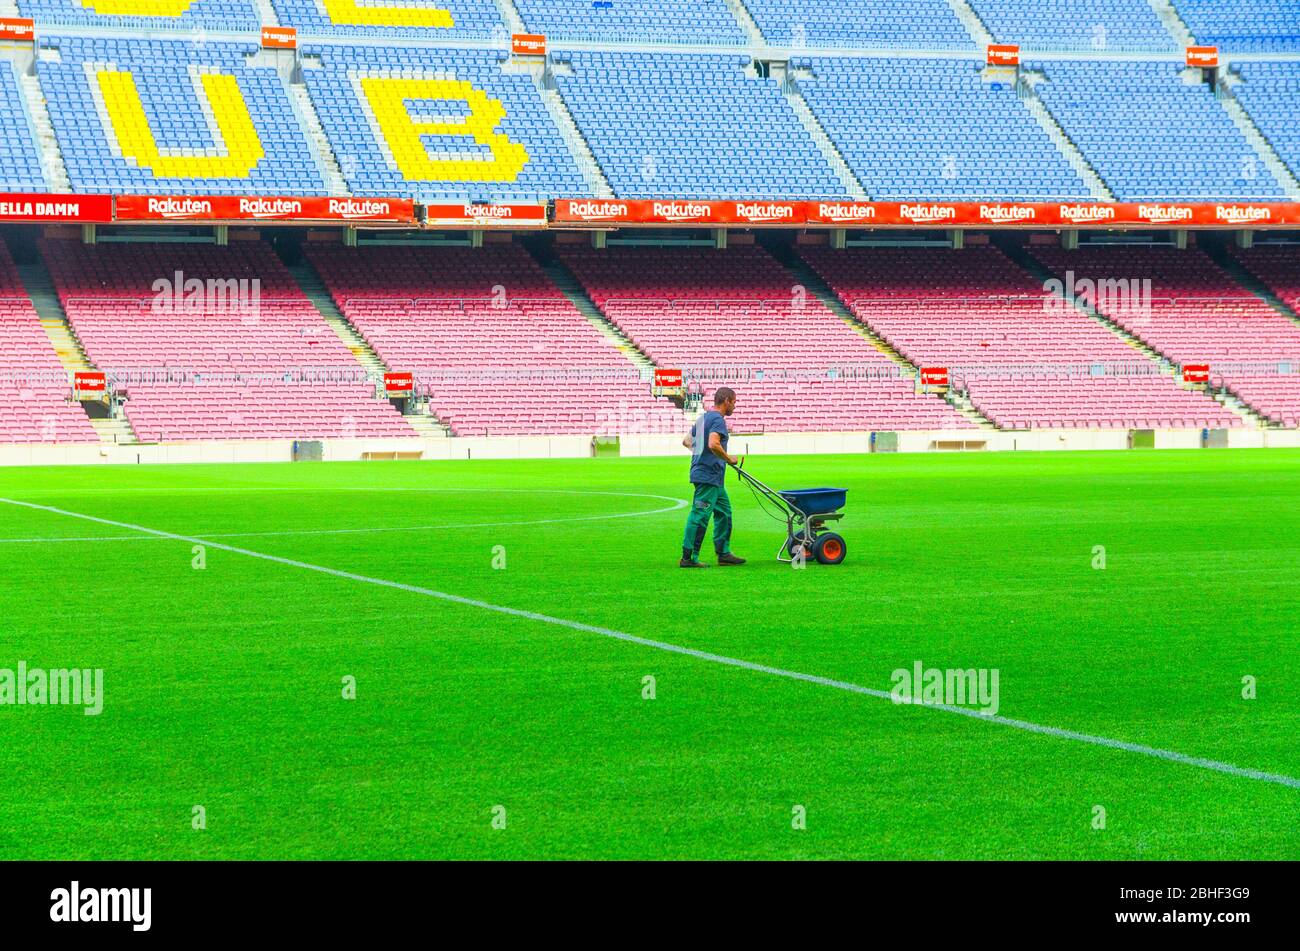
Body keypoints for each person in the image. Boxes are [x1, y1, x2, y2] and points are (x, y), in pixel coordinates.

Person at [679, 387, 746, 568]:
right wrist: (728, 458)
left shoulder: (704, 417)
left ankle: (724, 553)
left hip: (712, 478)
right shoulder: (717, 419)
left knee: (724, 512)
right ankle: (688, 558)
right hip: (708, 477)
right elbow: (713, 443)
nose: (734, 406)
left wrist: (703, 455)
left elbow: (687, 441)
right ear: (726, 401)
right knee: (700, 515)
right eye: (734, 402)